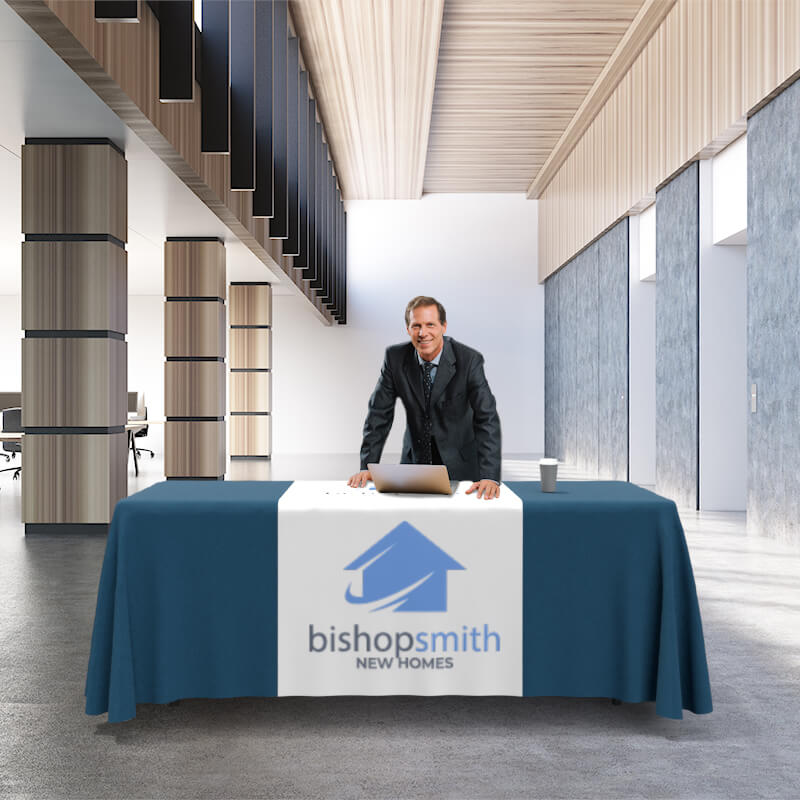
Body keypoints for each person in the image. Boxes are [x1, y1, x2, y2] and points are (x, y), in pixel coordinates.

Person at [348, 296, 502, 499]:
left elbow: (486, 418)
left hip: (461, 465)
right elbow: (379, 415)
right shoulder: (395, 359)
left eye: (430, 324)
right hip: (414, 464)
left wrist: (489, 476)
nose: (423, 333)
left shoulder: (469, 360)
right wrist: (368, 465)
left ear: (443, 327)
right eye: (416, 326)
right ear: (408, 329)